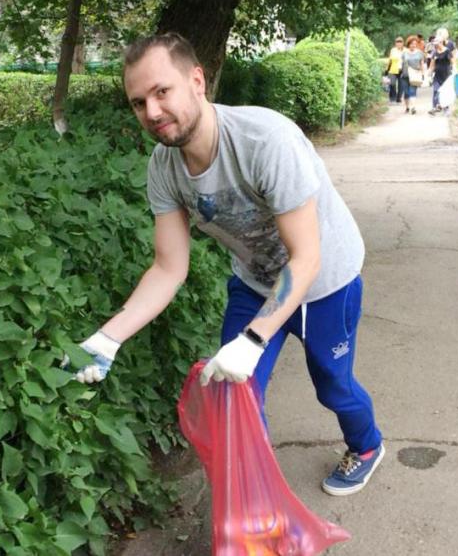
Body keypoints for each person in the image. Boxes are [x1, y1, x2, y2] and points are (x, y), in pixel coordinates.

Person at [64, 33, 385, 496]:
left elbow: (306, 257)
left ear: (197, 80)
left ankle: (368, 445)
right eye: (138, 102)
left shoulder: (265, 140)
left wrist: (254, 339)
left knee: (333, 387)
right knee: (235, 394)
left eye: (162, 92)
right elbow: (167, 269)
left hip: (324, 283)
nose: (151, 112)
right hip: (255, 282)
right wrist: (106, 338)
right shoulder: (163, 168)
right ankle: (256, 501)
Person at [428, 27, 457, 115]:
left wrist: (455, 70)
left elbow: (453, 62)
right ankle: (435, 107)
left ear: (441, 43)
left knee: (445, 92)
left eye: (437, 43)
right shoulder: (434, 53)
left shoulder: (447, 51)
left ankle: (445, 109)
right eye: (435, 44)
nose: (435, 45)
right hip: (437, 75)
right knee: (436, 90)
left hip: (446, 75)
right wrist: (428, 75)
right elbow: (432, 65)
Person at [401, 35, 426, 114]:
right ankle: (407, 107)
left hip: (415, 74)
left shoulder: (419, 53)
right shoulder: (404, 53)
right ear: (408, 44)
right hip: (405, 75)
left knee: (412, 91)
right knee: (406, 92)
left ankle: (413, 108)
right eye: (411, 44)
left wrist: (423, 73)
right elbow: (401, 63)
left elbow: (422, 63)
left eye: (415, 44)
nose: (413, 45)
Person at [386, 37, 405, 104]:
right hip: (393, 69)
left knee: (401, 85)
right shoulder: (393, 50)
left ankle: (398, 98)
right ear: (395, 43)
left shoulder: (405, 50)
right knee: (392, 84)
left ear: (403, 43)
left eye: (400, 42)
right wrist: (387, 69)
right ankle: (392, 98)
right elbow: (390, 60)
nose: (399, 43)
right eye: (397, 42)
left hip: (402, 70)